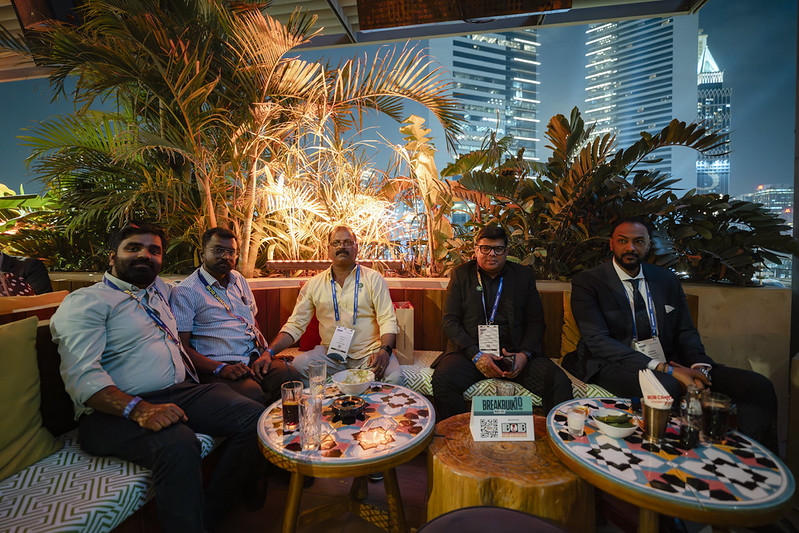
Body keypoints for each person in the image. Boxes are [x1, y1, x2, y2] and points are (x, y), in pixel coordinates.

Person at [50, 223, 265, 532]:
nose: (144, 255)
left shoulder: (159, 290)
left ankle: (211, 512)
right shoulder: (88, 302)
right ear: (112, 257)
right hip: (111, 412)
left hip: (178, 391)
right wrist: (139, 409)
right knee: (179, 443)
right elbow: (82, 376)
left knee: (254, 416)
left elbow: (199, 293)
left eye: (154, 250)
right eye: (133, 248)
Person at [564, 217, 778, 451]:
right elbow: (598, 341)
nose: (630, 247)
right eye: (623, 241)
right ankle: (672, 454)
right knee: (666, 388)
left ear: (649, 245)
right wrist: (667, 369)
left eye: (639, 241)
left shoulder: (665, 279)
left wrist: (699, 368)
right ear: (611, 243)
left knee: (758, 386)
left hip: (672, 361)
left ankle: (750, 457)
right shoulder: (589, 282)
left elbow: (685, 330)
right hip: (614, 363)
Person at [431, 226, 573, 420]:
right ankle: (458, 433)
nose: (492, 254)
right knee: (443, 379)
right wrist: (476, 355)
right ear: (476, 250)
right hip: (472, 354)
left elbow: (536, 321)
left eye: (498, 249)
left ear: (506, 252)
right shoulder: (461, 275)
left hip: (514, 353)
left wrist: (524, 355)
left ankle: (556, 435)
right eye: (485, 248)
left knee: (558, 382)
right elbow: (450, 321)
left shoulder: (523, 276)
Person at [171, 227, 301, 405]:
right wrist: (221, 368)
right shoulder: (186, 291)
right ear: (202, 254)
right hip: (217, 364)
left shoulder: (238, 279)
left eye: (231, 252)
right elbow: (182, 348)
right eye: (218, 250)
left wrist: (265, 354)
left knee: (290, 376)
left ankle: (279, 420)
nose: (226, 256)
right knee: (252, 393)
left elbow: (252, 320)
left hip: (251, 357)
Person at [264, 225, 402, 385]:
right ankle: (324, 400)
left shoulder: (373, 279)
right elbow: (295, 325)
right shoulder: (314, 284)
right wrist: (269, 352)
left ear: (356, 248)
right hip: (330, 355)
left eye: (348, 242)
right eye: (336, 243)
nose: (342, 247)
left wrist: (385, 351)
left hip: (368, 353)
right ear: (328, 249)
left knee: (394, 376)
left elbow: (387, 319)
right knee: (299, 365)